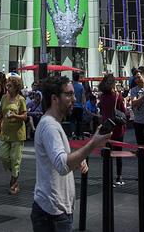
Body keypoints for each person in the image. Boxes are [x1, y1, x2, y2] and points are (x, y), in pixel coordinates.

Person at [31, 74, 110, 231]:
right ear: (54, 98)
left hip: (56, 211)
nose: (74, 99)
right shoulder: (50, 126)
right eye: (68, 94)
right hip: (52, 214)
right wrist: (92, 144)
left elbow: (59, 160)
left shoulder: (53, 124)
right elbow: (62, 165)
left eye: (73, 94)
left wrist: (78, 159)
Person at [0, 76, 28, 194]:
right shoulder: (4, 98)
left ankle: (14, 182)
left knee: (16, 159)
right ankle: (15, 173)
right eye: (7, 85)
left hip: (17, 133)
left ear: (16, 88)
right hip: (5, 132)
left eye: (10, 86)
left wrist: (15, 116)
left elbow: (25, 116)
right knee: (3, 157)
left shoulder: (21, 99)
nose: (7, 87)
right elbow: (1, 111)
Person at [98, 73, 127, 186]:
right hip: (118, 128)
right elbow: (123, 112)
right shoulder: (117, 96)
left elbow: (101, 110)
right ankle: (119, 177)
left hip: (107, 128)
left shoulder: (102, 97)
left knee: (108, 154)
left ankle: (109, 178)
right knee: (118, 153)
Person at [70, 71, 85, 139]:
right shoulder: (81, 87)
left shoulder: (71, 86)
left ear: (73, 78)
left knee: (72, 120)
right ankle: (80, 135)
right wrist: (83, 105)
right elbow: (83, 97)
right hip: (79, 106)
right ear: (78, 78)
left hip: (72, 106)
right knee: (79, 121)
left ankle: (73, 133)